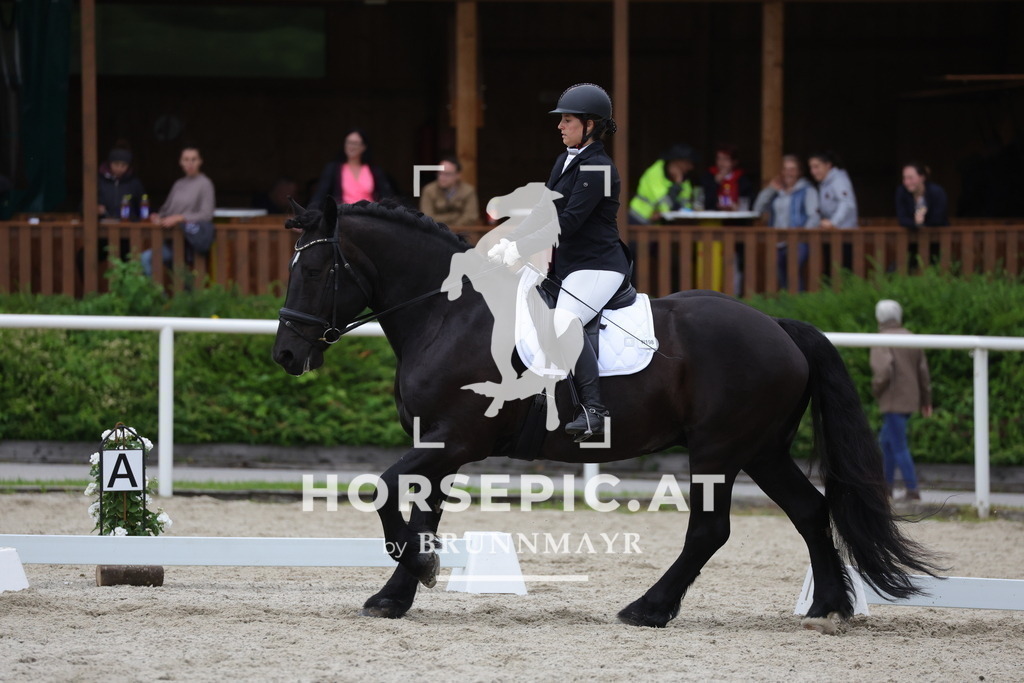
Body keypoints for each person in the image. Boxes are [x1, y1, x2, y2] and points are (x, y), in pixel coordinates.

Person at [486, 83, 629, 442]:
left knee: (564, 321)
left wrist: (520, 250)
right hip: (568, 266)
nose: (560, 126)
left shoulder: (599, 169)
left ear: (590, 125)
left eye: (567, 120)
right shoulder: (565, 160)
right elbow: (544, 210)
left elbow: (568, 223)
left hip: (598, 266)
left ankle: (594, 410)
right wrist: (511, 239)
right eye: (561, 120)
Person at [870, 299, 932, 502]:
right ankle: (886, 488)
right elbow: (923, 371)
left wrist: (876, 389)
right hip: (910, 400)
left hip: (893, 399)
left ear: (879, 317)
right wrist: (926, 400)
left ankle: (912, 490)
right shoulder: (911, 338)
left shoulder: (882, 339)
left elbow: (883, 371)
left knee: (897, 445)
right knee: (886, 442)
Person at [142, 145, 216, 277]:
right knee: (147, 260)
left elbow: (206, 214)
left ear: (200, 161)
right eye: (186, 159)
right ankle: (160, 297)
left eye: (194, 159)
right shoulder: (179, 184)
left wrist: (180, 218)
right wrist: (157, 216)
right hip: (172, 240)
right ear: (181, 162)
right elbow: (166, 210)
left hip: (190, 241)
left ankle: (163, 297)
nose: (190, 163)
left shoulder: (205, 184)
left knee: (183, 279)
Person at [753, 154, 820, 291]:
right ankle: (785, 304)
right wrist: (770, 189)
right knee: (780, 275)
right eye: (785, 169)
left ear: (799, 172)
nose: (789, 173)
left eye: (792, 169)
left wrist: (802, 234)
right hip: (777, 242)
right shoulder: (777, 193)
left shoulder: (807, 190)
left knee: (793, 273)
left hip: (797, 241)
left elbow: (813, 216)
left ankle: (797, 305)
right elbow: (757, 208)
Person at [309, 129, 396, 208]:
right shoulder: (333, 169)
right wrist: (309, 216)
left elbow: (387, 196)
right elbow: (320, 195)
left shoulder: (374, 171)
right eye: (349, 142)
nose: (351, 146)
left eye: (355, 143)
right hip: (342, 217)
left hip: (370, 217)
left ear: (364, 147)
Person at [628, 143, 699, 224]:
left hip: (658, 224)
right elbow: (666, 206)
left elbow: (685, 207)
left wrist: (678, 182)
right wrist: (677, 185)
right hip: (639, 219)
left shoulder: (684, 179)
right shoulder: (655, 173)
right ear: (677, 161)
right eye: (688, 163)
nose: (691, 167)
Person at [419, 156, 480, 227]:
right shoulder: (429, 190)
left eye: (447, 174)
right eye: (440, 173)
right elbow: (427, 217)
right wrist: (454, 216)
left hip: (462, 233)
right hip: (435, 233)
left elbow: (471, 217)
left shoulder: (468, 191)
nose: (442, 177)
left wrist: (452, 229)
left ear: (458, 175)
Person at [808, 151, 858, 229]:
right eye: (811, 167)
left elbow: (846, 203)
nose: (813, 171)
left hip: (845, 233)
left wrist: (833, 222)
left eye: (816, 167)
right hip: (833, 233)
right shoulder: (824, 184)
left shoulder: (838, 180)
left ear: (828, 165)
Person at [896, 162, 949, 229]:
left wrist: (921, 222)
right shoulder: (901, 191)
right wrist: (915, 223)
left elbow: (938, 219)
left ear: (922, 177)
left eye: (910, 178)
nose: (906, 182)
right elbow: (902, 219)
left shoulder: (937, 192)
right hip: (911, 236)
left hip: (938, 235)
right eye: (904, 178)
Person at [98, 145, 146, 220]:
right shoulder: (99, 181)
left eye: (124, 165)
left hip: (129, 226)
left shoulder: (134, 183)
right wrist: (95, 208)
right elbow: (83, 205)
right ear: (109, 163)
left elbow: (143, 205)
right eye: (116, 164)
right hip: (102, 225)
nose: (119, 168)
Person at [701, 144, 754, 211]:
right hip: (714, 217)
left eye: (725, 159)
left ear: (734, 162)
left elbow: (749, 201)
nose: (721, 163)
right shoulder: (709, 176)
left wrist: (736, 206)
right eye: (718, 158)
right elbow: (703, 202)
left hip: (737, 218)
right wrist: (715, 183)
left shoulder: (742, 179)